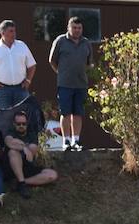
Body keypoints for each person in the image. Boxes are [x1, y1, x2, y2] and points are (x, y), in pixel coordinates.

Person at [49, 16, 92, 151]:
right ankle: (66, 141)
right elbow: (52, 60)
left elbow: (89, 63)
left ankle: (76, 141)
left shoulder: (86, 43)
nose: (77, 30)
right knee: (65, 113)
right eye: (74, 27)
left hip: (81, 84)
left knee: (78, 113)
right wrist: (61, 73)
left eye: (79, 28)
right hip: (65, 84)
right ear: (68, 28)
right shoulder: (61, 41)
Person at [3, 109, 58, 195]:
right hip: (11, 169)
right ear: (14, 124)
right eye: (18, 124)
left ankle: (22, 182)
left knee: (52, 174)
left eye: (23, 124)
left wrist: (19, 145)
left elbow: (32, 151)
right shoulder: (10, 132)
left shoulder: (31, 135)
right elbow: (9, 141)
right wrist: (24, 148)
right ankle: (21, 183)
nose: (21, 126)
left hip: (27, 168)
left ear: (27, 124)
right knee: (13, 152)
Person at [0, 19, 36, 109]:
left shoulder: (22, 46)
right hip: (2, 90)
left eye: (14, 31)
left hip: (21, 89)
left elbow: (32, 65)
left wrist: (28, 80)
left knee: (22, 117)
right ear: (2, 32)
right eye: (11, 31)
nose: (14, 34)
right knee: (4, 118)